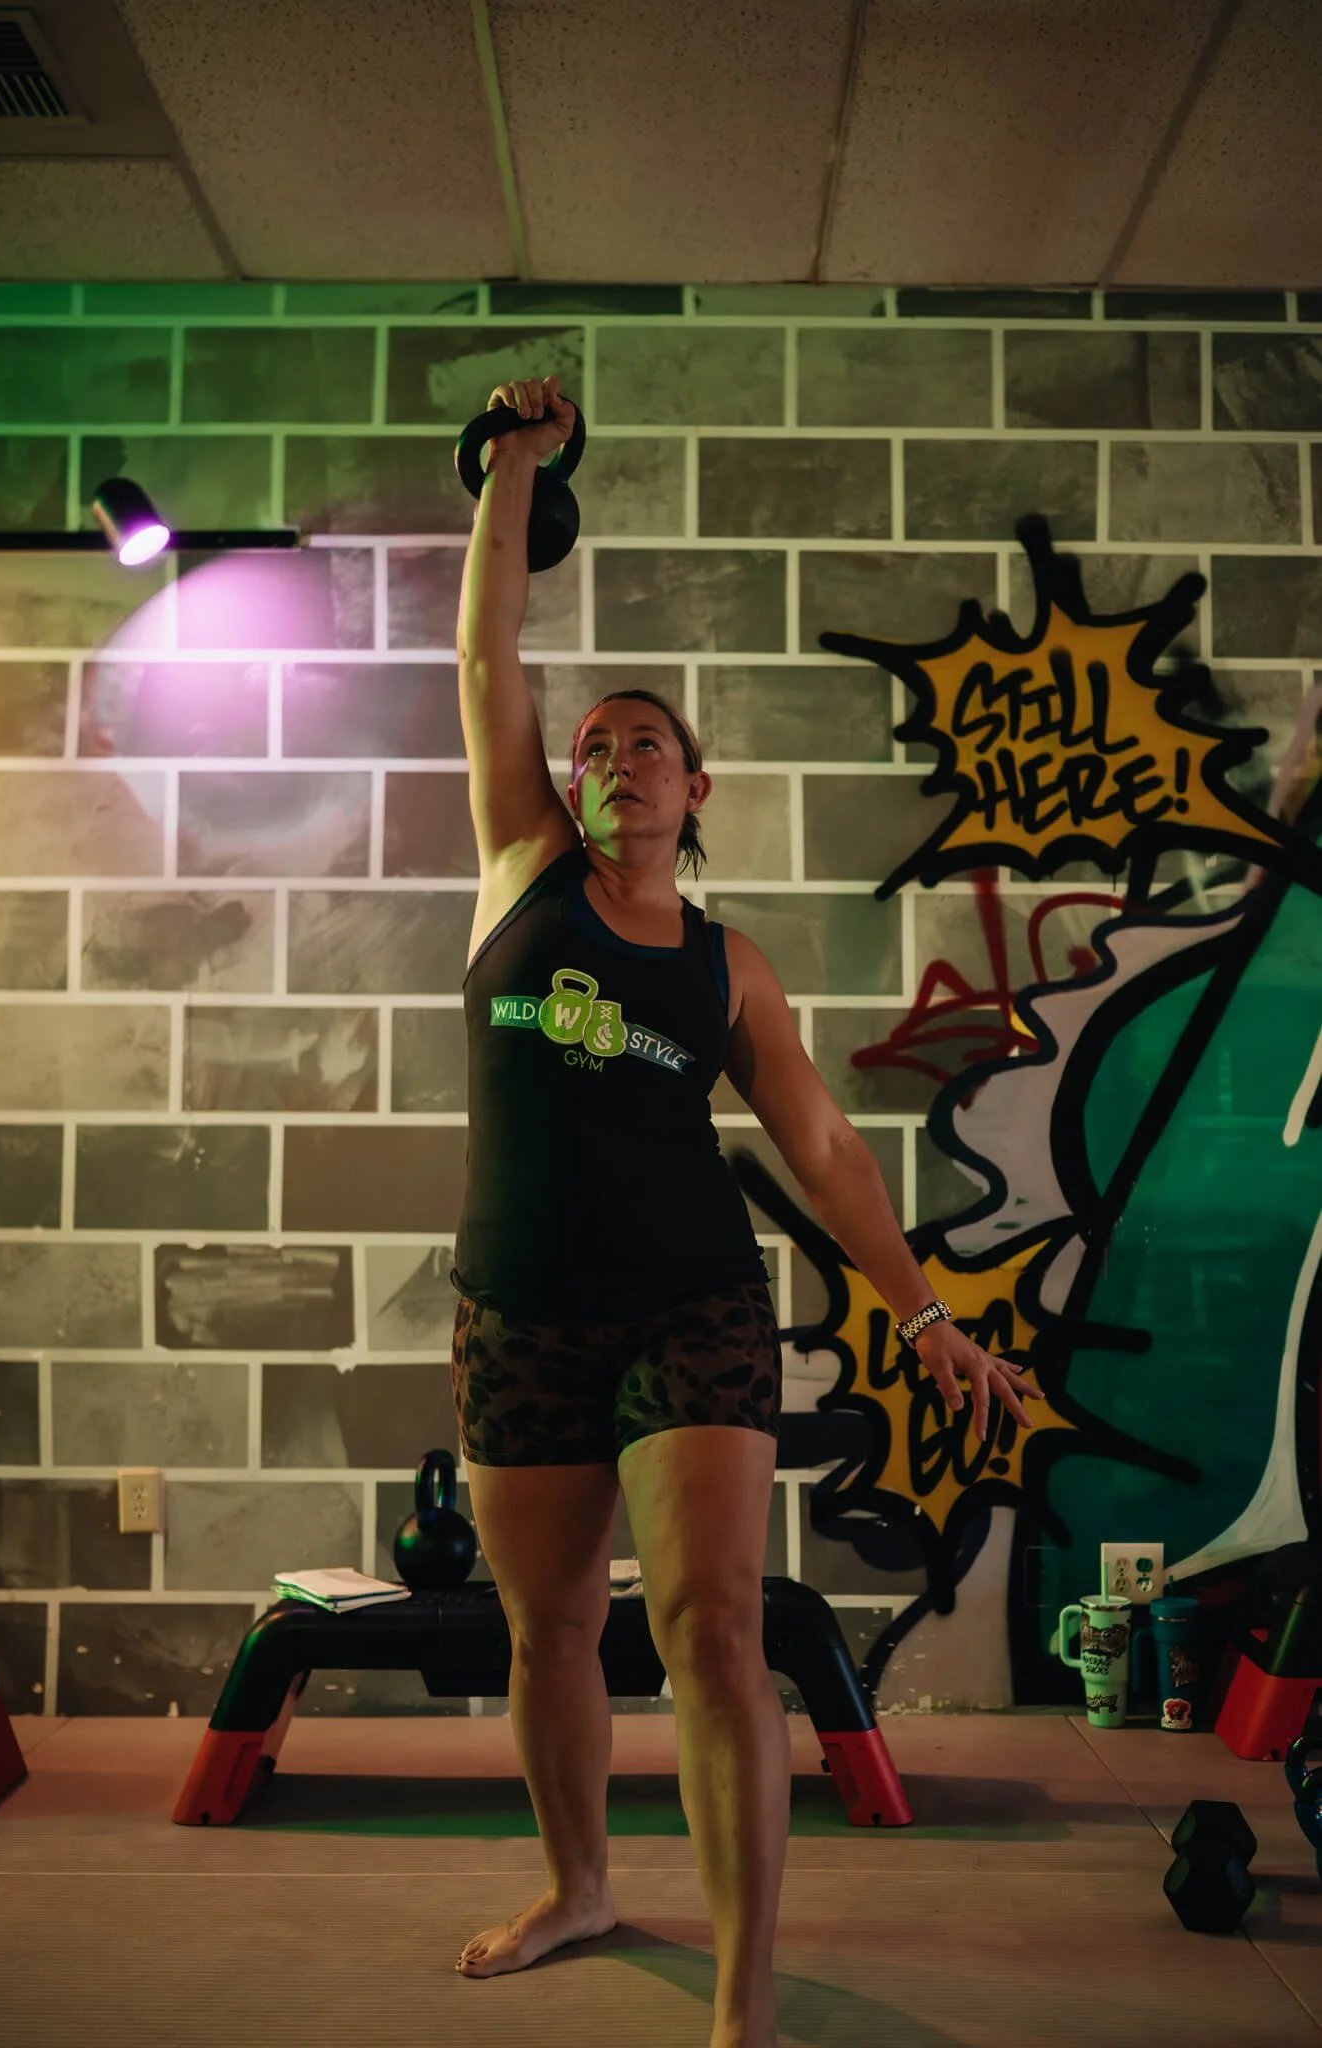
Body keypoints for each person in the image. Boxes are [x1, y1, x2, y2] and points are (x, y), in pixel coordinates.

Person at [449, 373, 1043, 2048]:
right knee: (550, 1627)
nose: (616, 757)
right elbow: (488, 658)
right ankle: (579, 1884)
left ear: (696, 791)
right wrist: (512, 467)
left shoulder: (731, 968)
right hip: (519, 1311)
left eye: (651, 743)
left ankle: (741, 1996)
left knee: (712, 1629)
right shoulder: (519, 873)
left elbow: (834, 1157)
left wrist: (925, 1315)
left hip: (693, 1312)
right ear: (567, 786)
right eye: (597, 743)